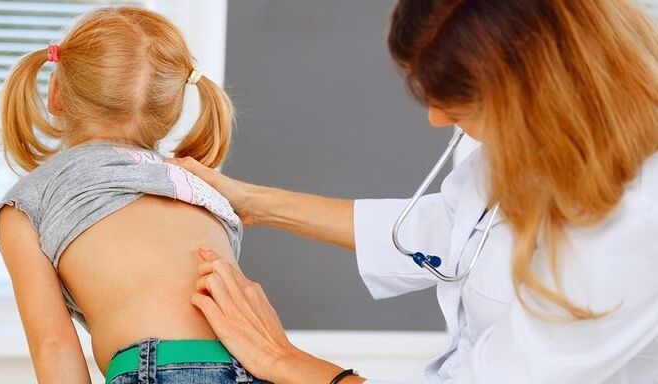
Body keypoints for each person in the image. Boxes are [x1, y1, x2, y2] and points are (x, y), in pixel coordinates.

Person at [170, 1, 658, 383]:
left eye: (458, 100)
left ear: (537, 89)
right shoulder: (542, 143)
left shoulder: (631, 225)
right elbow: (452, 231)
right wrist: (254, 203)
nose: (437, 118)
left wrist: (285, 360)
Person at [0, 7, 269, 384]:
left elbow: (55, 347)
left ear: (55, 92)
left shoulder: (29, 201)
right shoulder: (198, 186)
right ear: (170, 111)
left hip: (154, 368)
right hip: (255, 363)